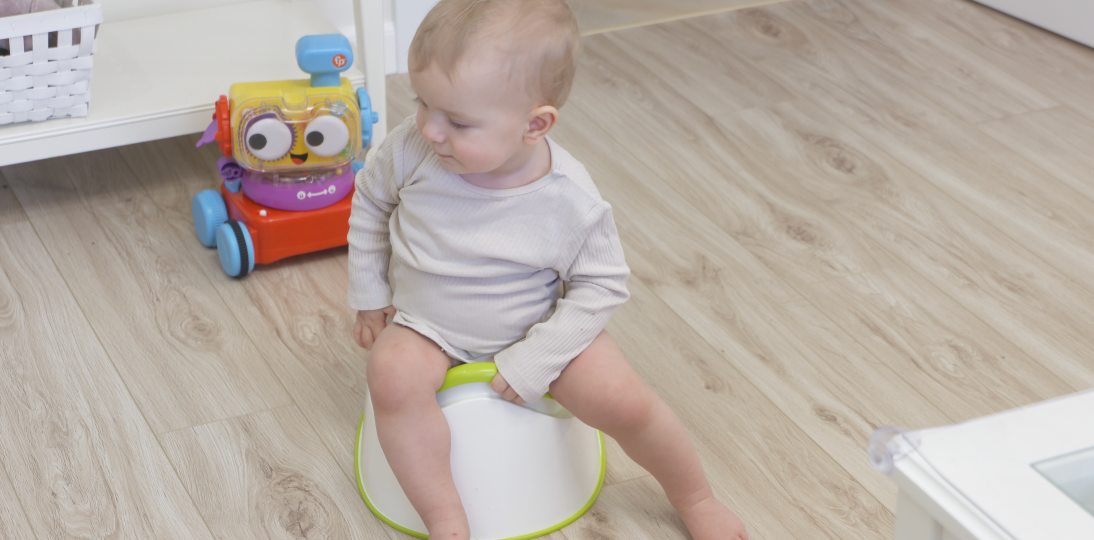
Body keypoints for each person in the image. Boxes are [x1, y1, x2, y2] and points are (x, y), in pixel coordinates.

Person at [347, 1, 748, 538]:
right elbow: (371, 203)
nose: (431, 129)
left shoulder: (568, 198)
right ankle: (445, 516)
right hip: (428, 327)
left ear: (535, 125)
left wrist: (540, 355)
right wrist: (370, 292)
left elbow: (602, 284)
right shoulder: (411, 151)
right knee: (391, 378)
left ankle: (697, 498)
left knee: (624, 401)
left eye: (458, 121)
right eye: (424, 104)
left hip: (537, 325)